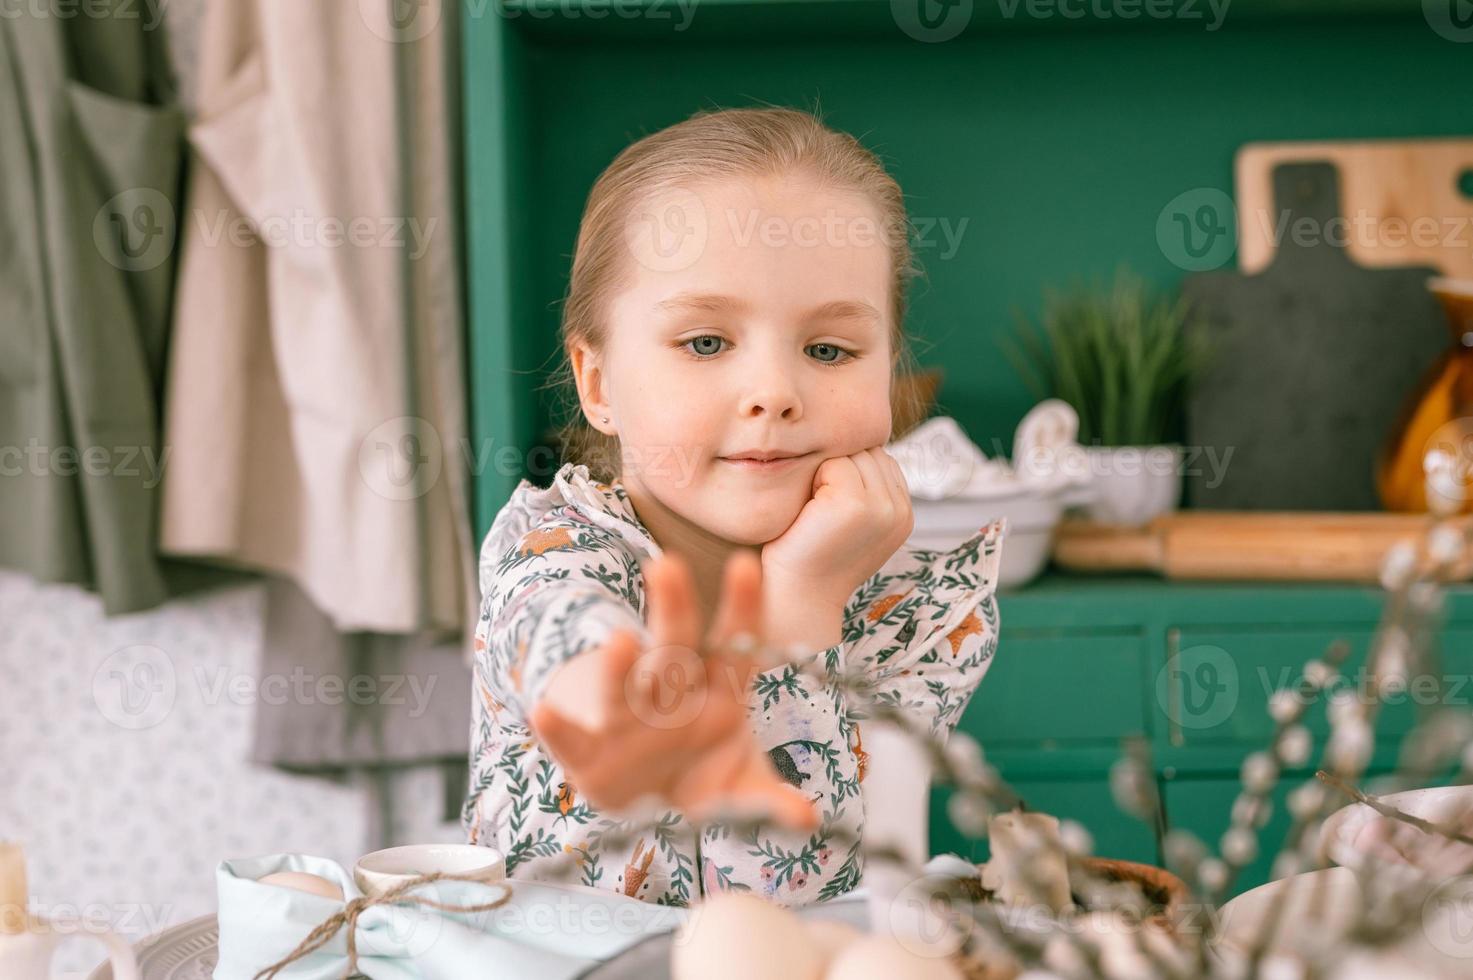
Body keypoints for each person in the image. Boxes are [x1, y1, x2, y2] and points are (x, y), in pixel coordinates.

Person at [462, 105, 1007, 907]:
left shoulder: (916, 608)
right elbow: (576, 665)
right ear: (598, 383)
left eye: (829, 350)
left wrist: (803, 606)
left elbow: (816, 891)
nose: (775, 394)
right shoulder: (555, 551)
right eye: (706, 342)